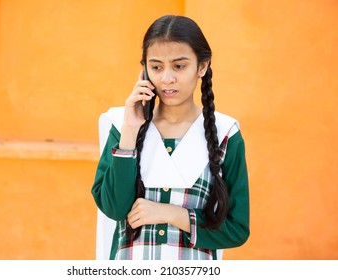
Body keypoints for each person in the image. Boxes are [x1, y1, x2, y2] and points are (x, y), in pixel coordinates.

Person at [91, 15, 249, 260]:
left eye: (179, 66)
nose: (167, 78)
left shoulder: (226, 133)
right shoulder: (121, 125)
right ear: (144, 69)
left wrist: (171, 214)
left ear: (202, 66)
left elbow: (237, 229)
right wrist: (131, 130)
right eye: (156, 67)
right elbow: (113, 208)